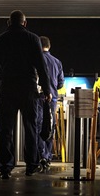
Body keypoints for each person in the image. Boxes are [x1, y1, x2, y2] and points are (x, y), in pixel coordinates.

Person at [0, 10, 52, 179]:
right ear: (25, 23)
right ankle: (31, 165)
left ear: (9, 23)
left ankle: (5, 167)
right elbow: (41, 67)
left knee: (5, 129)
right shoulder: (33, 39)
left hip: (7, 87)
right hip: (28, 88)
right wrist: (46, 89)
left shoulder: (0, 39)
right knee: (30, 127)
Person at [36, 36, 64, 170]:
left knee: (38, 125)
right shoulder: (57, 62)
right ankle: (47, 156)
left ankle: (40, 155)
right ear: (49, 46)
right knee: (49, 126)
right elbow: (60, 83)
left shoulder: (35, 60)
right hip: (52, 99)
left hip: (38, 97)